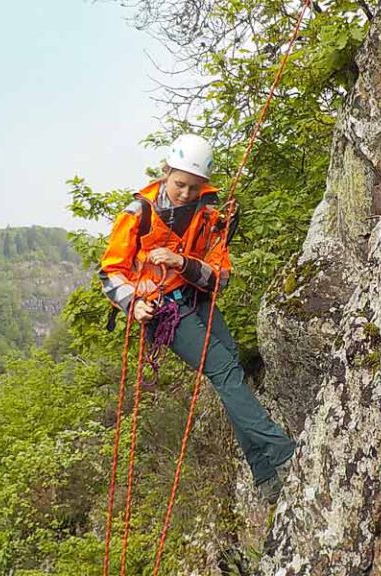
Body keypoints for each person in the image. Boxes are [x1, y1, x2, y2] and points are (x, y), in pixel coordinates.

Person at [98, 134, 294, 504]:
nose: (185, 193)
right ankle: (282, 452)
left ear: (203, 185)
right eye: (179, 184)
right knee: (224, 371)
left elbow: (219, 277)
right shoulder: (137, 214)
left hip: (196, 297)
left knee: (230, 369)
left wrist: (181, 262)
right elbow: (110, 272)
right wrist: (133, 305)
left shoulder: (208, 215)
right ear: (165, 173)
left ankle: (264, 475)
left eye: (193, 186)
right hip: (162, 310)